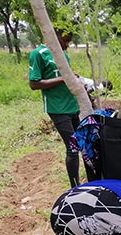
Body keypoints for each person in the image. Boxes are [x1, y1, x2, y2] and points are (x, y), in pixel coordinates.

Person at [29, 28, 85, 187]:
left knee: (82, 144)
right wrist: (64, 78)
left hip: (72, 105)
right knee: (72, 148)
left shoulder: (62, 54)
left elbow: (63, 76)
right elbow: (34, 84)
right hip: (58, 108)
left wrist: (74, 78)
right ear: (54, 37)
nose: (67, 45)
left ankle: (88, 181)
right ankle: (75, 187)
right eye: (65, 41)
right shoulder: (38, 54)